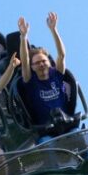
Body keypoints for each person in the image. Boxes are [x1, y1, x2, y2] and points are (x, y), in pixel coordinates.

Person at [17, 12, 73, 140]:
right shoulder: (30, 81)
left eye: (44, 61)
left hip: (67, 124)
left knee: (80, 139)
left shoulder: (57, 75)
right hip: (47, 132)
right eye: (37, 63)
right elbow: (24, 61)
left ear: (49, 62)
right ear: (32, 67)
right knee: (49, 145)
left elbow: (61, 55)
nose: (41, 64)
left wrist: (54, 30)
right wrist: (23, 37)